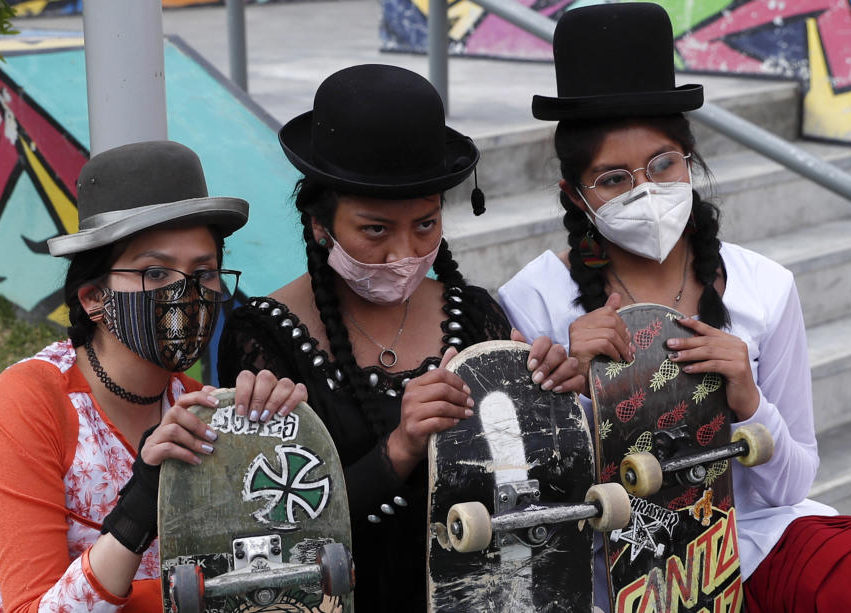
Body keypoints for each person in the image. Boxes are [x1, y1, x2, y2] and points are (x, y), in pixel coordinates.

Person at [498, 4, 851, 612]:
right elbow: (535, 510)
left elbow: (791, 485)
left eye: (663, 164)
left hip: (753, 548)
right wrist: (572, 398)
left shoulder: (764, 286)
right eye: (613, 178)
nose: (646, 189)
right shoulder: (533, 299)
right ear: (575, 195)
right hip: (622, 574)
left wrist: (748, 400)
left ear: (690, 158)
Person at [216, 64, 582, 612]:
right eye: (375, 229)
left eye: (426, 224)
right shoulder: (262, 340)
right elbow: (274, 529)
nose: (404, 253)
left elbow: (543, 495)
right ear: (319, 224)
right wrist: (402, 447)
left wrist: (556, 404)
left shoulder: (476, 315)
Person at [0, 141, 307, 612]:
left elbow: (258, 586)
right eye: (155, 272)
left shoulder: (199, 409)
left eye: (205, 271)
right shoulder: (27, 406)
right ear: (94, 298)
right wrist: (140, 506)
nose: (186, 293)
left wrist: (271, 442)